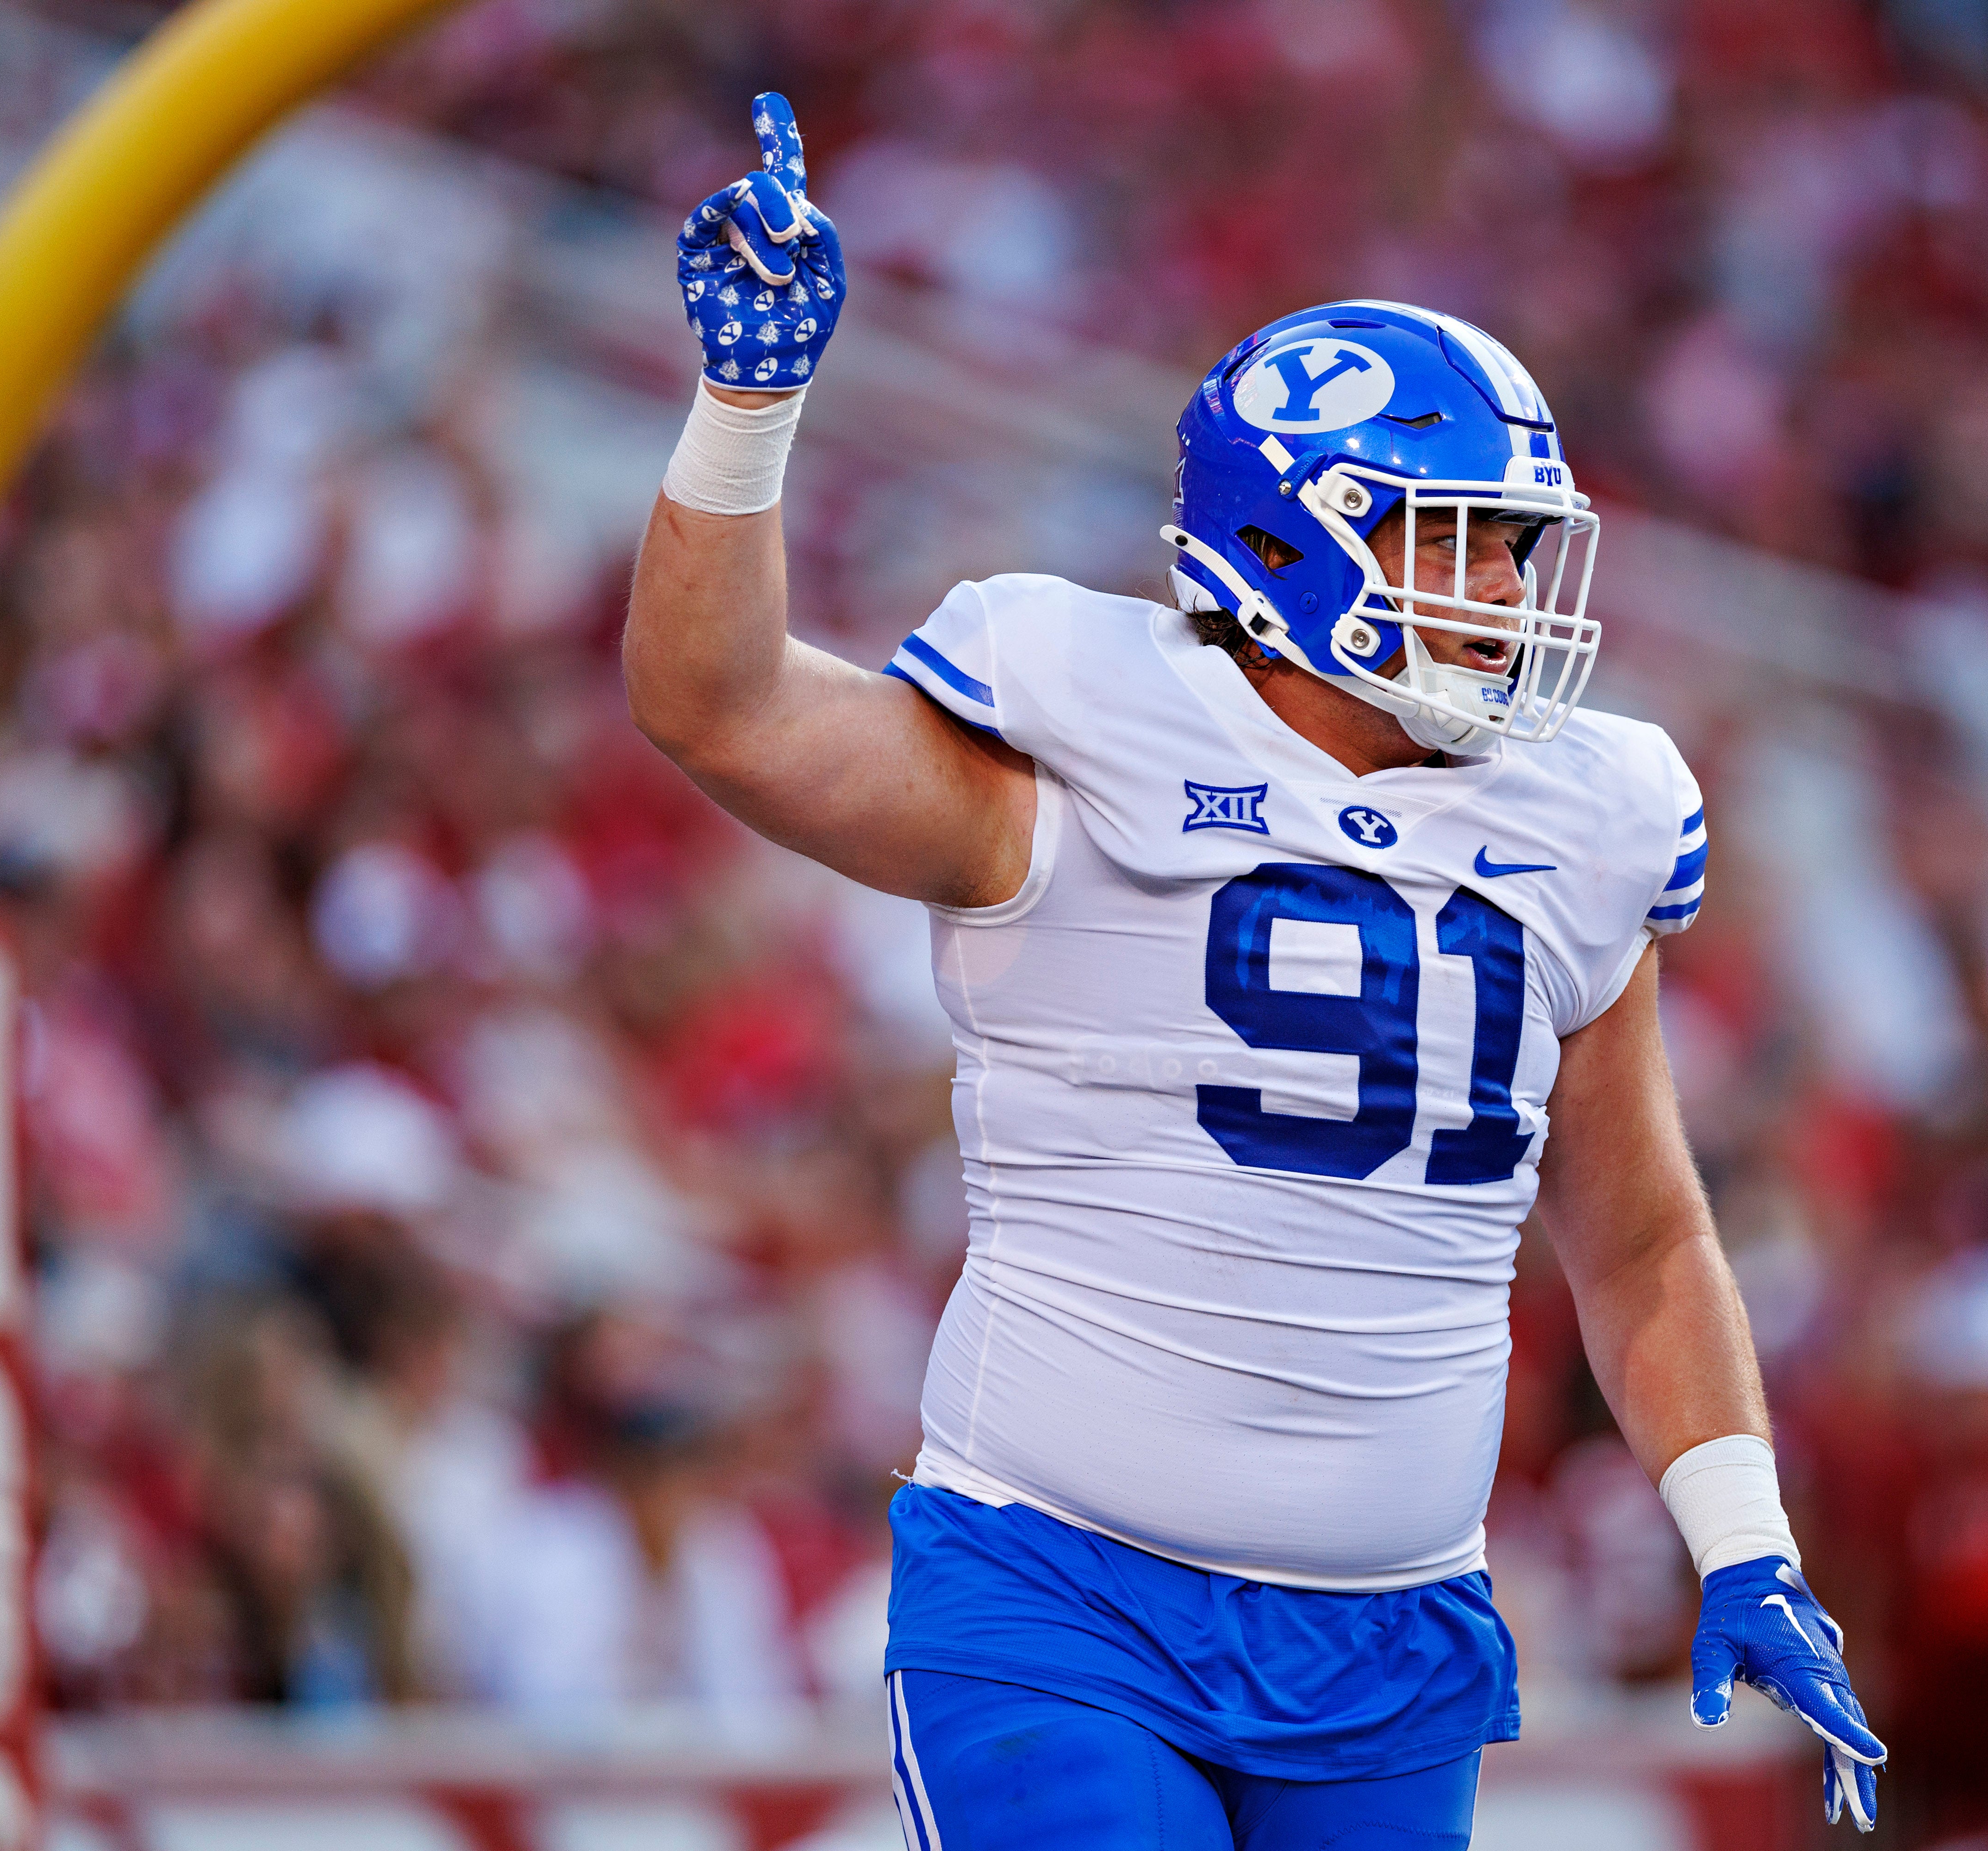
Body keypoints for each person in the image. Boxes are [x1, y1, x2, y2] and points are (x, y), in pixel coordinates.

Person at [623, 93, 1885, 1850]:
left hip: (1391, 1643)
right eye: (1462, 537)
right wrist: (748, 411)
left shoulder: (1585, 818)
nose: (1513, 586)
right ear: (1301, 534)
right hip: (1064, 1598)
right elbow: (721, 705)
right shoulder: (1079, 742)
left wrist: (1749, 1538)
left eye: (1520, 543)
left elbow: (1644, 1234)